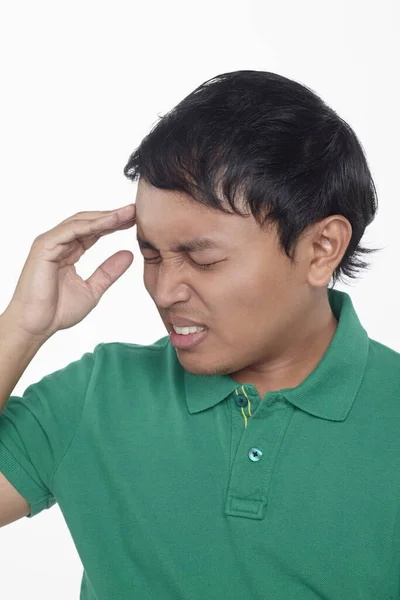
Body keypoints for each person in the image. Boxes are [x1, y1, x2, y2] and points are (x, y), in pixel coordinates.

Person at [0, 70, 396, 600]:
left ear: (322, 248)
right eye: (151, 255)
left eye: (202, 259)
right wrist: (22, 326)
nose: (164, 290)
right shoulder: (97, 394)